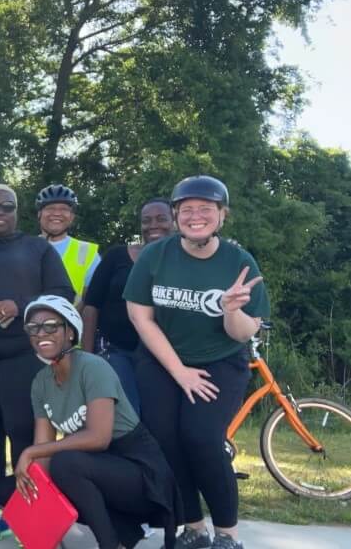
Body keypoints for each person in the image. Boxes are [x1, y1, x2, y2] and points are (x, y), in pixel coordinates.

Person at [125, 175, 270, 549]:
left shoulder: (240, 262)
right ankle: (193, 527)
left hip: (220, 362)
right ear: (175, 217)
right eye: (186, 210)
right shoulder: (156, 255)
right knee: (167, 442)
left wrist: (231, 310)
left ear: (222, 215)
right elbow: (141, 317)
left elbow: (241, 334)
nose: (195, 217)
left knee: (203, 440)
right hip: (162, 361)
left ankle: (227, 535)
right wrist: (179, 372)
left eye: (206, 209)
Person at [0, 184, 74, 541]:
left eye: (7, 207)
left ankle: (28, 507)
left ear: (17, 211)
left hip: (24, 351)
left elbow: (64, 293)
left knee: (23, 427)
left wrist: (21, 304)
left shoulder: (37, 249)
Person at [15, 296, 179, 549]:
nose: (41, 333)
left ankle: (109, 544)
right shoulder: (40, 383)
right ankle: (124, 536)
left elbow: (99, 437)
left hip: (141, 473)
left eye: (51, 326)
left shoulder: (93, 367)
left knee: (66, 464)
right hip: (100, 469)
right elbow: (44, 455)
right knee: (40, 476)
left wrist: (31, 452)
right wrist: (39, 514)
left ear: (70, 332)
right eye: (33, 328)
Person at [81, 198, 175, 414]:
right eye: (146, 220)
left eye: (162, 219)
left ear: (175, 221)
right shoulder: (116, 256)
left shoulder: (184, 261)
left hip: (159, 353)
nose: (153, 225)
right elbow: (90, 306)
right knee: (127, 411)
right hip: (114, 348)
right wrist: (86, 360)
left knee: (157, 416)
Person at [35, 183, 101, 305]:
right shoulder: (25, 247)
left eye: (64, 209)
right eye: (50, 208)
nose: (57, 213)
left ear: (72, 217)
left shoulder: (86, 251)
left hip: (71, 322)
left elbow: (91, 303)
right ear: (39, 214)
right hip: (30, 322)